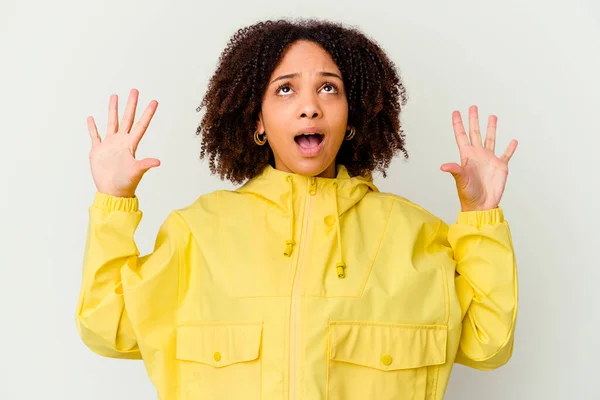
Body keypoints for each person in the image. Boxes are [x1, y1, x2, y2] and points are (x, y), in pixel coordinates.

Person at [76, 18, 519, 400]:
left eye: (329, 88)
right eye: (285, 90)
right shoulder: (198, 232)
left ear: (352, 116)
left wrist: (479, 217)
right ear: (257, 120)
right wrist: (114, 202)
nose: (310, 107)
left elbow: (488, 343)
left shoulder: (414, 234)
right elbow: (106, 325)